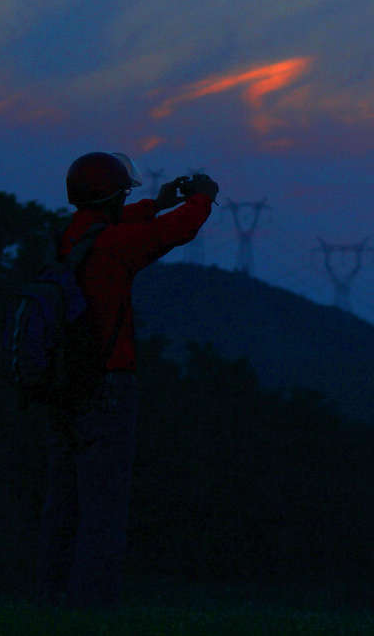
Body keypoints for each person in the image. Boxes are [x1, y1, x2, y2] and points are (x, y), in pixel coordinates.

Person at [35, 151, 218, 608]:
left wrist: (157, 202)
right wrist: (202, 199)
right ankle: (92, 606)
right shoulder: (115, 246)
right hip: (108, 386)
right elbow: (173, 232)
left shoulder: (66, 237)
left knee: (62, 500)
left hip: (61, 386)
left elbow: (113, 223)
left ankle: (50, 598)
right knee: (104, 505)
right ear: (114, 195)